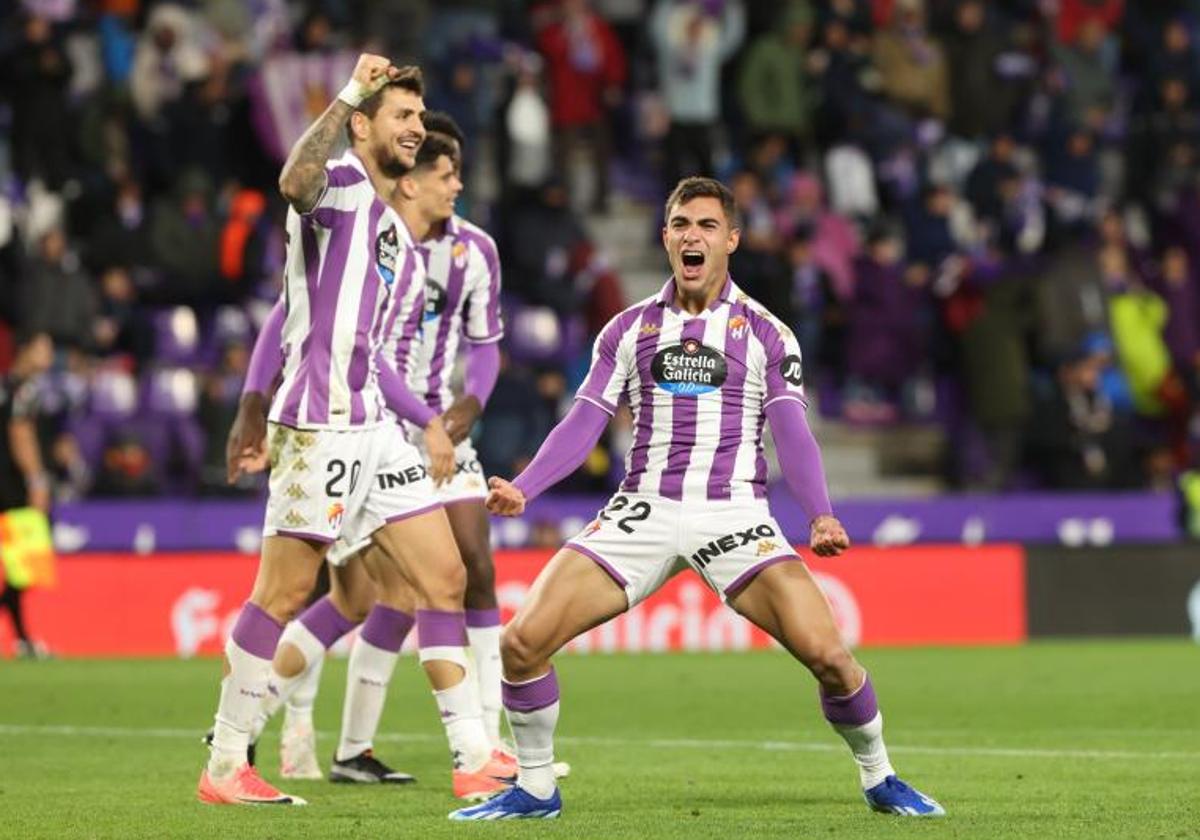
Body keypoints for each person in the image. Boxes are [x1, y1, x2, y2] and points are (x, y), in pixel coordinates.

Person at [450, 177, 945, 820]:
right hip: (643, 509)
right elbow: (585, 419)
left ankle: (880, 776)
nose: (693, 235)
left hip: (734, 513)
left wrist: (819, 513)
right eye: (681, 223)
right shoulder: (627, 330)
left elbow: (792, 430)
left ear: (731, 240)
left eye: (708, 225)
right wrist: (525, 485)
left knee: (829, 656)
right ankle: (537, 789)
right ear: (665, 236)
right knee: (521, 643)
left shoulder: (767, 334)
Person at [199, 55, 486, 807]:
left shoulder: (391, 228)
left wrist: (425, 422)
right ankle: (227, 763)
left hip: (372, 427)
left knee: (444, 577)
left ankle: (476, 758)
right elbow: (294, 182)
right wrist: (351, 91)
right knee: (286, 591)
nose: (416, 129)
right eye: (401, 116)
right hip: (319, 425)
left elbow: (369, 345)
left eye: (420, 118)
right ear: (363, 125)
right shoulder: (347, 184)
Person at [0, 333, 53, 659]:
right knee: (25, 568)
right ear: (26, 352)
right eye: (42, 349)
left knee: (15, 569)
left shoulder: (5, 386)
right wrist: (36, 480)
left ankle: (22, 638)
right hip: (14, 487)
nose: (48, 356)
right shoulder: (26, 390)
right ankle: (23, 640)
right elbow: (20, 432)